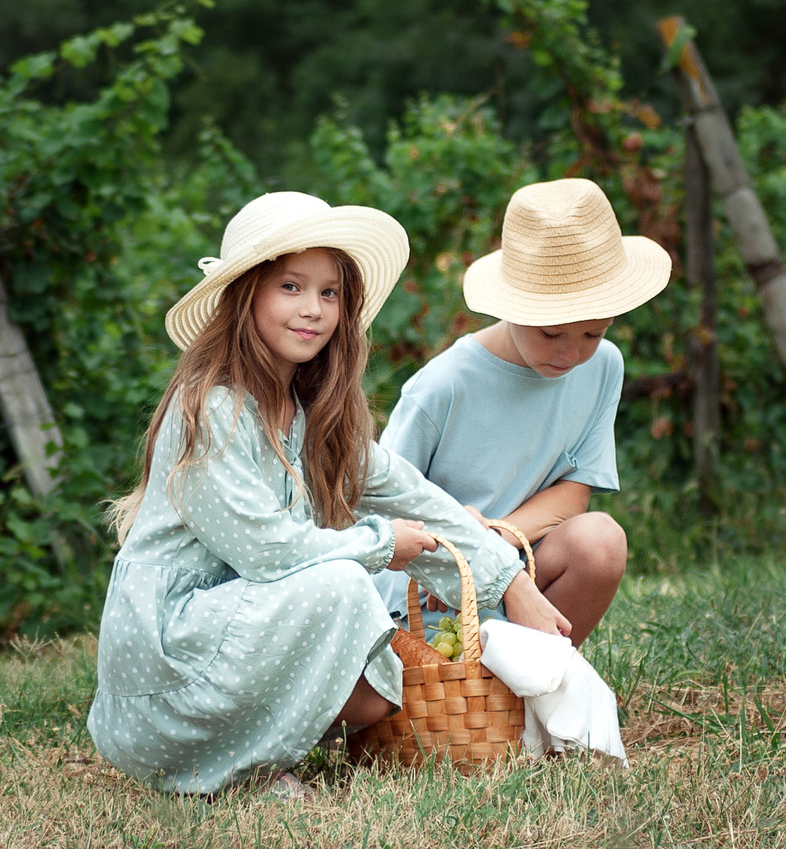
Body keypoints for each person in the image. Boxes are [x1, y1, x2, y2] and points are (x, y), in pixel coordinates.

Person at [89, 191, 571, 795]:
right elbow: (268, 552)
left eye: (329, 292)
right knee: (342, 583)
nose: (313, 309)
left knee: (374, 693)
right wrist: (379, 545)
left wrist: (509, 581)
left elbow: (410, 495)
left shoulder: (307, 412)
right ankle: (236, 768)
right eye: (291, 287)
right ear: (247, 297)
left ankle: (254, 754)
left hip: (234, 629)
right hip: (168, 665)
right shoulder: (212, 407)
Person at [379, 177, 671, 646]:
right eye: (552, 334)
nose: (571, 354)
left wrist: (496, 540)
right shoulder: (443, 386)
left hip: (522, 568)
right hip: (431, 592)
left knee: (601, 541)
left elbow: (574, 494)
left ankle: (533, 689)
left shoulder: (604, 366)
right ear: (510, 305)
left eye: (592, 334)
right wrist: (461, 548)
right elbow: (381, 501)